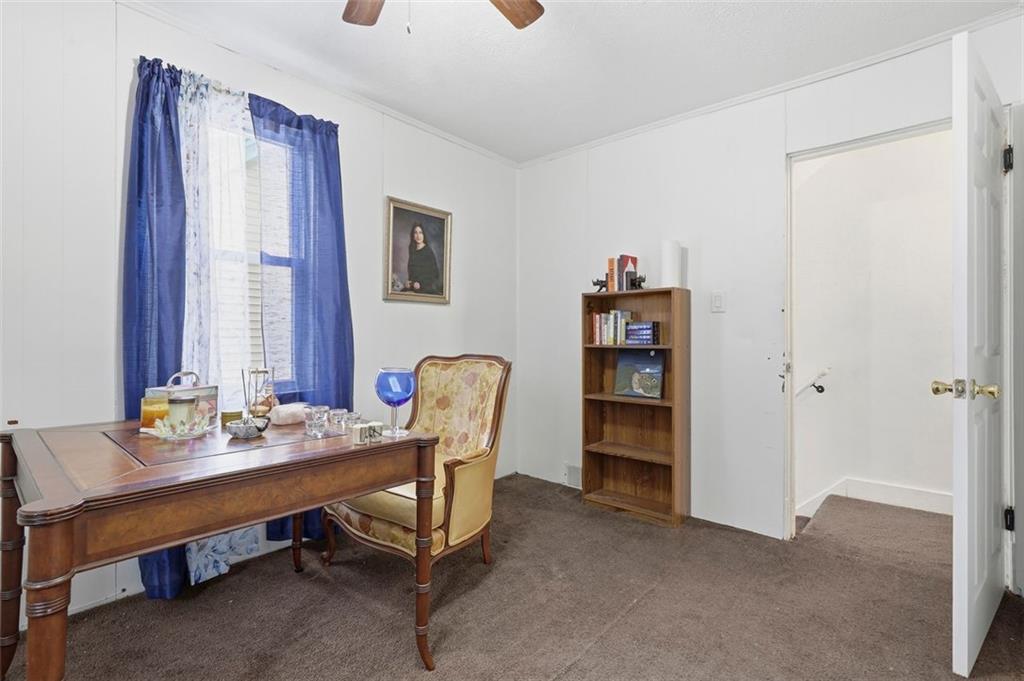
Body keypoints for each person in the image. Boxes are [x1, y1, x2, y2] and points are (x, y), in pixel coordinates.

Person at [405, 223, 441, 294]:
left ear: (423, 234)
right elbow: (412, 273)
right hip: (414, 287)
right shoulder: (412, 250)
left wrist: (421, 284)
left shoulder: (428, 251)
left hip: (425, 288)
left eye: (420, 233)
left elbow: (435, 274)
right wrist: (409, 282)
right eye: (415, 233)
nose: (418, 236)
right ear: (413, 235)